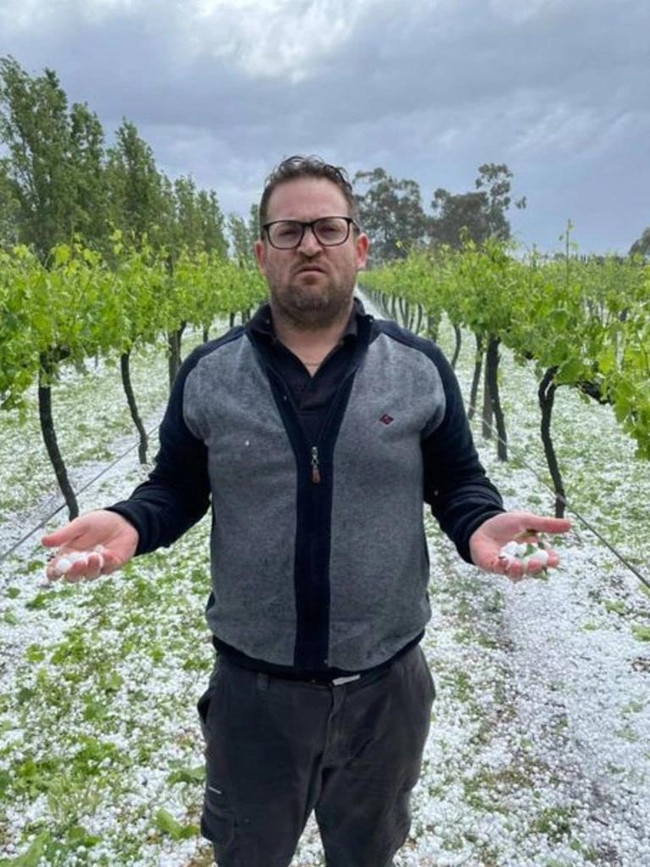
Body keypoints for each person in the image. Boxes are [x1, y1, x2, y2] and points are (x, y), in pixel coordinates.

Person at [42, 154, 571, 867]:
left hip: (386, 693)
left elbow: (458, 484)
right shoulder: (210, 373)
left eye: (327, 227)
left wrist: (479, 525)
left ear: (360, 246)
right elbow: (174, 487)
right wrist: (133, 521)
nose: (310, 245)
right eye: (289, 232)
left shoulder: (417, 369)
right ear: (262, 253)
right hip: (254, 697)